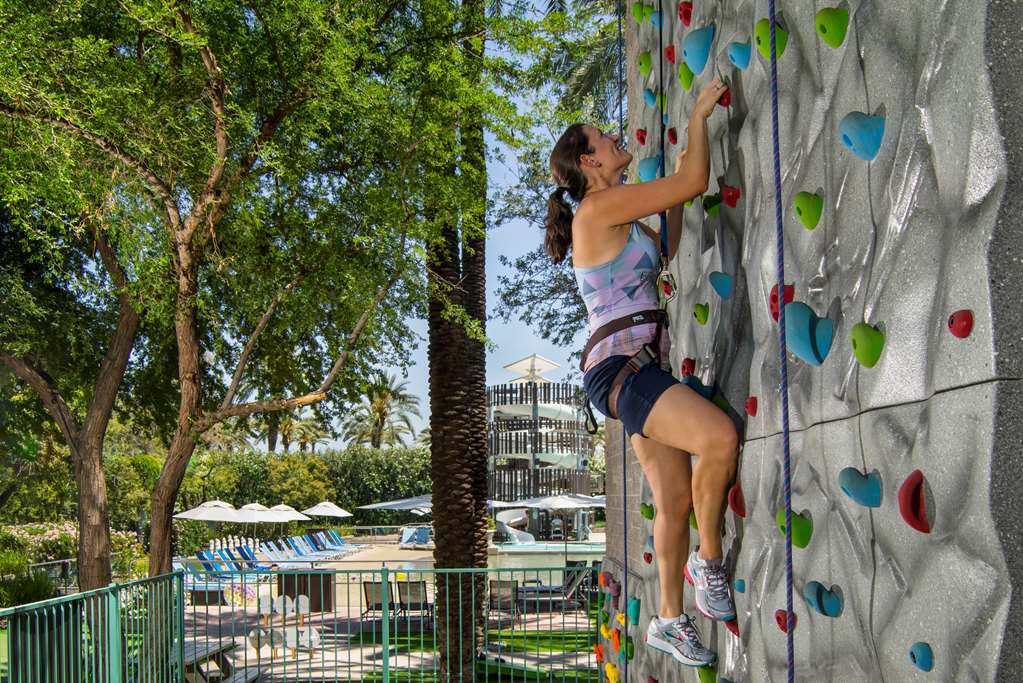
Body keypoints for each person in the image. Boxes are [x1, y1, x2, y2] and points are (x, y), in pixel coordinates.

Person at [544, 79, 738, 668]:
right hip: (621, 371)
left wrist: (673, 192)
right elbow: (694, 182)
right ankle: (707, 564)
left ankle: (669, 620)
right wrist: (700, 116)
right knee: (719, 438)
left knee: (673, 497)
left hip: (629, 372)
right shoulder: (598, 208)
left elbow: (669, 242)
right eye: (602, 136)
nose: (612, 134)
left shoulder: (619, 214)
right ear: (589, 161)